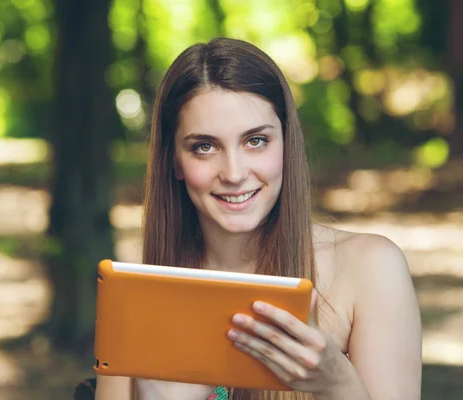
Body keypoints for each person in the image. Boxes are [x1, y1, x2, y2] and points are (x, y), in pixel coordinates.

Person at [94, 37, 422, 400]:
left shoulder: (371, 268)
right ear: (174, 161)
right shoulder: (137, 303)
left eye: (255, 141)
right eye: (204, 146)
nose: (233, 173)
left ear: (286, 142)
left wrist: (337, 382)